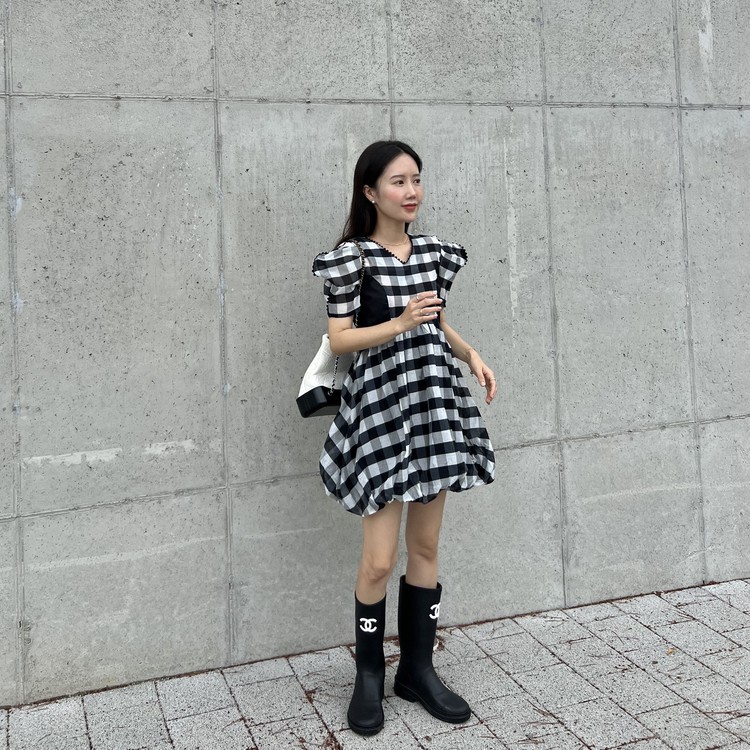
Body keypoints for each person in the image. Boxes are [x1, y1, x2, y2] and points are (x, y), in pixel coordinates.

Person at [311, 140, 496, 736]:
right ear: (370, 192)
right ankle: (369, 676)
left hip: (433, 404)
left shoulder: (434, 252)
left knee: (426, 547)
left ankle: (417, 669)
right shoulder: (352, 260)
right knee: (378, 560)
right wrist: (396, 322)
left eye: (416, 179)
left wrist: (470, 354)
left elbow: (437, 322)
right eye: (397, 181)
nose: (411, 191)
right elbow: (340, 339)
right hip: (381, 411)